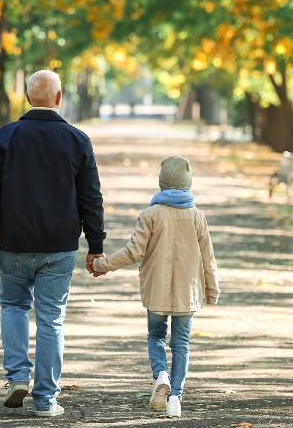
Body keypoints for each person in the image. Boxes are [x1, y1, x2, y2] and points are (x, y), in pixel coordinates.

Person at [0, 69, 106, 418]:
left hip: (14, 242)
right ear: (60, 98)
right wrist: (96, 245)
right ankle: (46, 398)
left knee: (13, 306)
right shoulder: (77, 140)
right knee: (51, 318)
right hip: (60, 245)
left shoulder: (6, 136)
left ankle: (18, 376)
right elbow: (91, 198)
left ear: (27, 96)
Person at [91, 155, 219, 418]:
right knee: (181, 343)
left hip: (156, 290)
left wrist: (103, 265)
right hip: (188, 292)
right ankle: (175, 399)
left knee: (156, 336)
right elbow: (208, 256)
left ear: (161, 183)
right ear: (188, 183)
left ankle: (161, 374)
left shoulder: (150, 215)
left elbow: (132, 251)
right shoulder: (197, 216)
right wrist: (212, 288)